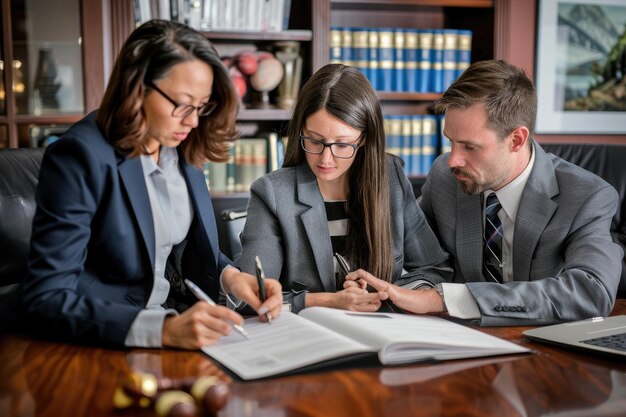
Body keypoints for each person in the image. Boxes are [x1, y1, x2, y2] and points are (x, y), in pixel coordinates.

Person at [17, 19, 282, 349]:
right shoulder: (79, 157)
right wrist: (162, 330)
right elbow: (46, 298)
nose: (193, 121)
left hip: (180, 332)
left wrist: (233, 277)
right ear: (137, 86)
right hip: (106, 345)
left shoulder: (182, 146)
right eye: (182, 104)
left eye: (202, 106)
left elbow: (180, 248)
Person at [347, 59, 623, 326]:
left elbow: (591, 293)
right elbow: (412, 252)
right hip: (462, 342)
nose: (452, 159)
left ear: (516, 139)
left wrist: (442, 299)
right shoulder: (446, 176)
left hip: (545, 347)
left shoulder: (587, 197)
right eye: (451, 142)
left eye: (470, 147)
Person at [235, 63, 452, 314]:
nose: (326, 159)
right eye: (314, 141)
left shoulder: (390, 177)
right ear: (300, 132)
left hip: (382, 332)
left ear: (365, 138)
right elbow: (250, 297)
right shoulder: (273, 193)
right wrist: (329, 300)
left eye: (342, 144)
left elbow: (436, 270)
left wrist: (388, 291)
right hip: (307, 337)